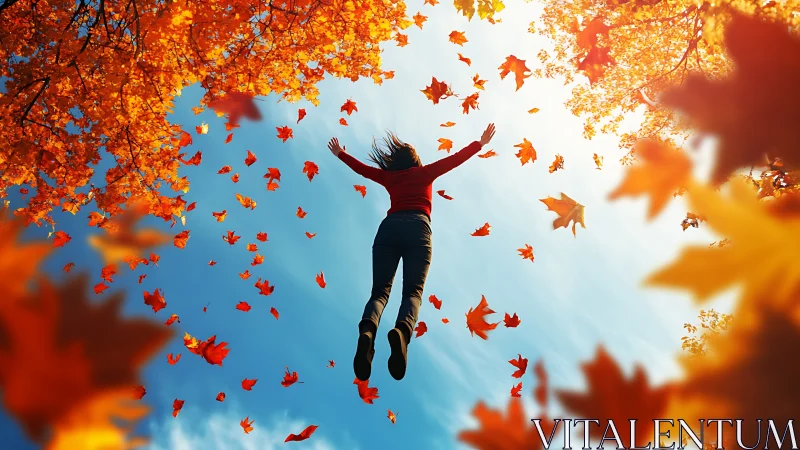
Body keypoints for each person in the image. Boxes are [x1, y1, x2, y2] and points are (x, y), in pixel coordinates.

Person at [327, 123, 496, 381]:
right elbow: (454, 160)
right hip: (418, 228)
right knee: (413, 292)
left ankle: (368, 333)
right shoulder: (425, 173)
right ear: (416, 160)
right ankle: (402, 333)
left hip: (389, 228)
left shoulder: (390, 177)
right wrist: (480, 143)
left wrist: (341, 154)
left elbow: (364, 170)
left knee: (380, 292)